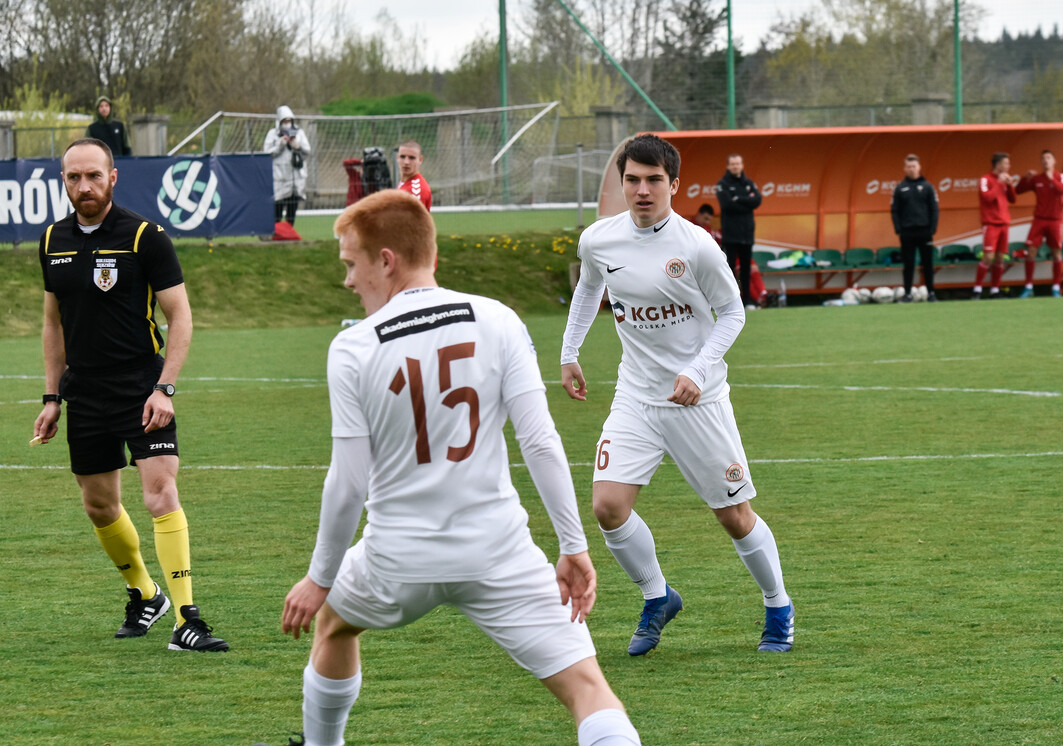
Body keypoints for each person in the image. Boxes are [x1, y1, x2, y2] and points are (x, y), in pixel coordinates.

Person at [277, 189, 640, 746]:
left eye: (352, 264)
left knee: (334, 623)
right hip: (497, 552)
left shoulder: (353, 347)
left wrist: (319, 578)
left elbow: (348, 482)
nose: (349, 281)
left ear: (386, 261)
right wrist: (573, 547)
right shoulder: (497, 319)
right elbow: (540, 442)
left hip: (397, 559)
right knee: (589, 690)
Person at [560, 134, 794, 657]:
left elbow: (733, 313)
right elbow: (588, 289)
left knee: (735, 516)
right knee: (607, 507)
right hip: (635, 399)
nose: (642, 191)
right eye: (632, 180)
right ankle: (657, 595)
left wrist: (697, 370)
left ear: (674, 185)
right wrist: (569, 350)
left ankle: (778, 607)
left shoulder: (695, 245)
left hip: (698, 402)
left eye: (654, 181)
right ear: (622, 182)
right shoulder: (599, 239)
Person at [32, 138, 227, 652]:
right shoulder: (52, 240)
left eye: (93, 176)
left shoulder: (145, 235)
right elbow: (53, 325)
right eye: (73, 178)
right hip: (85, 392)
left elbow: (179, 316)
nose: (84, 187)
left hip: (142, 386)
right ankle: (145, 593)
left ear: (112, 178)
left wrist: (165, 387)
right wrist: (53, 397)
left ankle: (189, 618)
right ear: (65, 181)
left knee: (160, 493)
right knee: (99, 505)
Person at [1014, 149, 1063, 298]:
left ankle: (1056, 287)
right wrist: (1025, 179)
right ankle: (1028, 286)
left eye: (1049, 158)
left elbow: (1062, 190)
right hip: (1039, 219)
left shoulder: (1061, 177)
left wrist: (1051, 178)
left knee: (1056, 253)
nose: (1046, 161)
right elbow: (1017, 191)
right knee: (1031, 251)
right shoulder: (1037, 179)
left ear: (1054, 161)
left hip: (1055, 220)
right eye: (1043, 158)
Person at [890, 154, 940, 302]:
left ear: (919, 167)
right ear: (904, 168)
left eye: (914, 166)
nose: (911, 169)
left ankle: (931, 293)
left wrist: (932, 228)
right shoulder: (900, 188)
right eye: (908, 166)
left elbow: (934, 209)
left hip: (924, 230)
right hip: (907, 232)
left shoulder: (927, 187)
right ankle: (907, 294)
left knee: (927, 263)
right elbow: (894, 210)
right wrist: (898, 228)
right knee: (908, 264)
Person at [715, 153, 763, 306]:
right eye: (733, 164)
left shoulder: (749, 183)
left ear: (742, 165)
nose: (736, 166)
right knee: (729, 269)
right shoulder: (723, 184)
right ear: (728, 166)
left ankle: (747, 301)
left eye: (738, 164)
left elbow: (757, 200)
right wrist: (746, 202)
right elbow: (727, 205)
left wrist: (739, 198)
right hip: (730, 234)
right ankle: (730, 302)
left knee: (746, 269)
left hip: (747, 233)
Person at [974, 152, 1016, 300]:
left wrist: (1009, 185)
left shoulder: (1005, 181)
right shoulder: (986, 179)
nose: (1008, 166)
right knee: (988, 257)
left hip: (1004, 223)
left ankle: (995, 290)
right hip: (991, 224)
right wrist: (999, 183)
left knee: (1000, 258)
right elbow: (987, 198)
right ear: (998, 165)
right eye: (1006, 163)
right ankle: (977, 289)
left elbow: (1013, 199)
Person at [264, 105, 312, 226]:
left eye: (289, 121)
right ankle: (277, 231)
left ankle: (290, 230)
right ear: (280, 121)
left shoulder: (299, 133)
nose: (287, 124)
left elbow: (307, 151)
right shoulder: (272, 134)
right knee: (278, 207)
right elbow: (266, 154)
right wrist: (280, 145)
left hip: (295, 178)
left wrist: (297, 146)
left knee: (292, 207)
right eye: (284, 121)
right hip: (279, 177)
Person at [396, 140, 432, 211]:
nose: (406, 162)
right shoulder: (404, 182)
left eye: (411, 158)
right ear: (397, 158)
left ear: (420, 160)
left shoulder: (416, 190)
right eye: (402, 157)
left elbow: (412, 222)